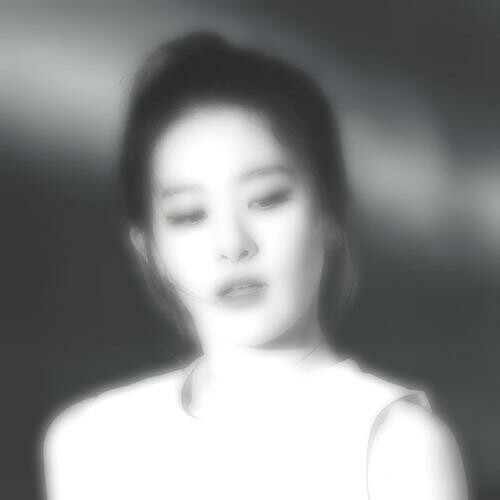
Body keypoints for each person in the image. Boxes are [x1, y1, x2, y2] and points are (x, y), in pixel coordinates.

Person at [42, 32, 468, 500]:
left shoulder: (398, 447)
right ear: (150, 250)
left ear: (330, 211)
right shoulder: (91, 443)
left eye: (266, 199)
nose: (231, 245)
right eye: (189, 215)